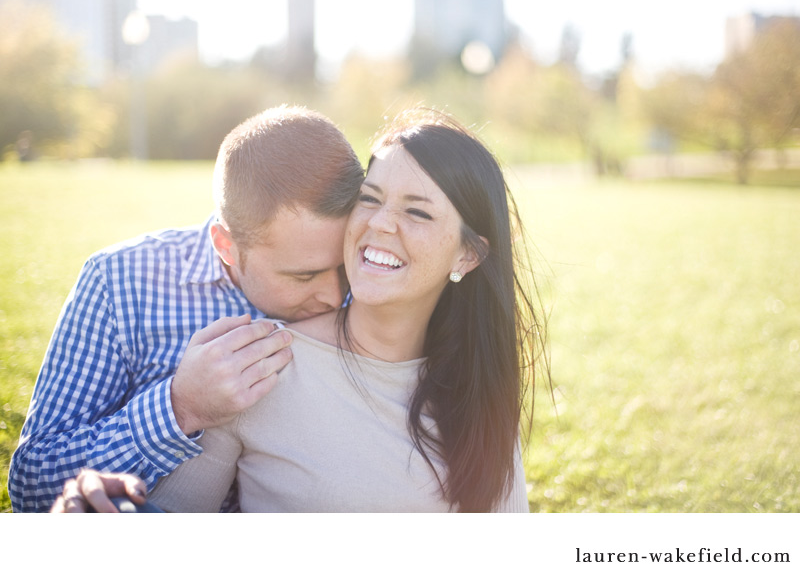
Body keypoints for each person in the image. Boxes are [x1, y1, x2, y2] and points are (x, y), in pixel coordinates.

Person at [143, 109, 549, 512]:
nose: (381, 224)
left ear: (467, 255)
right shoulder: (265, 362)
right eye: (369, 199)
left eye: (417, 211)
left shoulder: (477, 385)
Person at [9, 105, 365, 512]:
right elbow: (32, 484)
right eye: (305, 276)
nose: (337, 298)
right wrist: (181, 407)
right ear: (226, 245)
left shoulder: (373, 282)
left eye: (345, 266)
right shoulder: (120, 282)